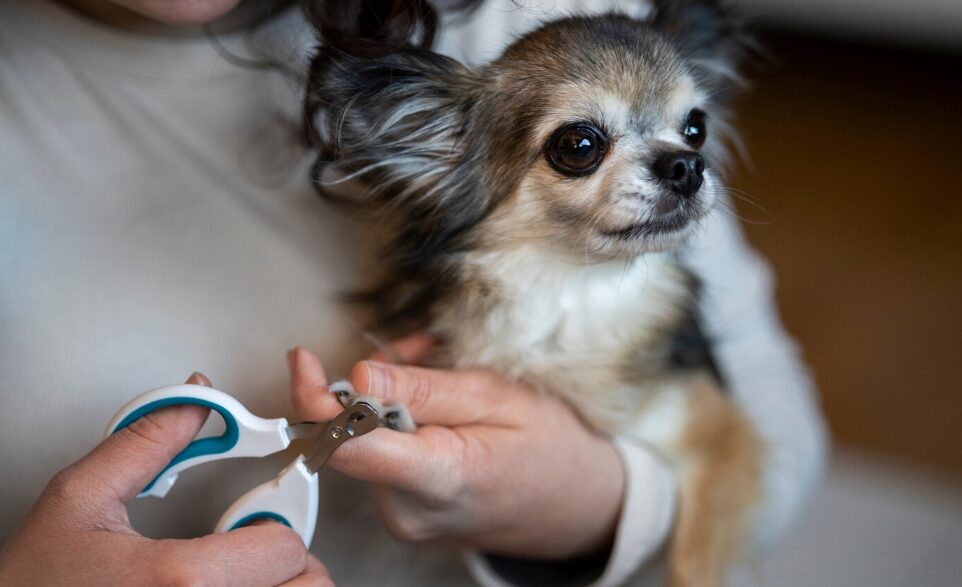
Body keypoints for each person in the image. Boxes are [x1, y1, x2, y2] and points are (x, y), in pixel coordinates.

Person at [0, 0, 828, 585]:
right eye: (580, 144)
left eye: (692, 131)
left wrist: (589, 505)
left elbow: (777, 424)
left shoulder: (541, 14)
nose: (680, 162)